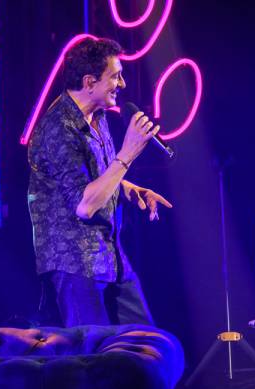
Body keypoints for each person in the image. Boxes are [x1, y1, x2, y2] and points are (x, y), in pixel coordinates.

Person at [27, 37, 172, 327]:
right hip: (75, 263)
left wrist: (130, 189)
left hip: (110, 255)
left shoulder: (98, 116)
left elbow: (99, 177)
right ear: (90, 81)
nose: (122, 84)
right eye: (115, 76)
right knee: (93, 359)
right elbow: (84, 205)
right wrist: (128, 154)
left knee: (145, 343)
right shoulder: (58, 129)